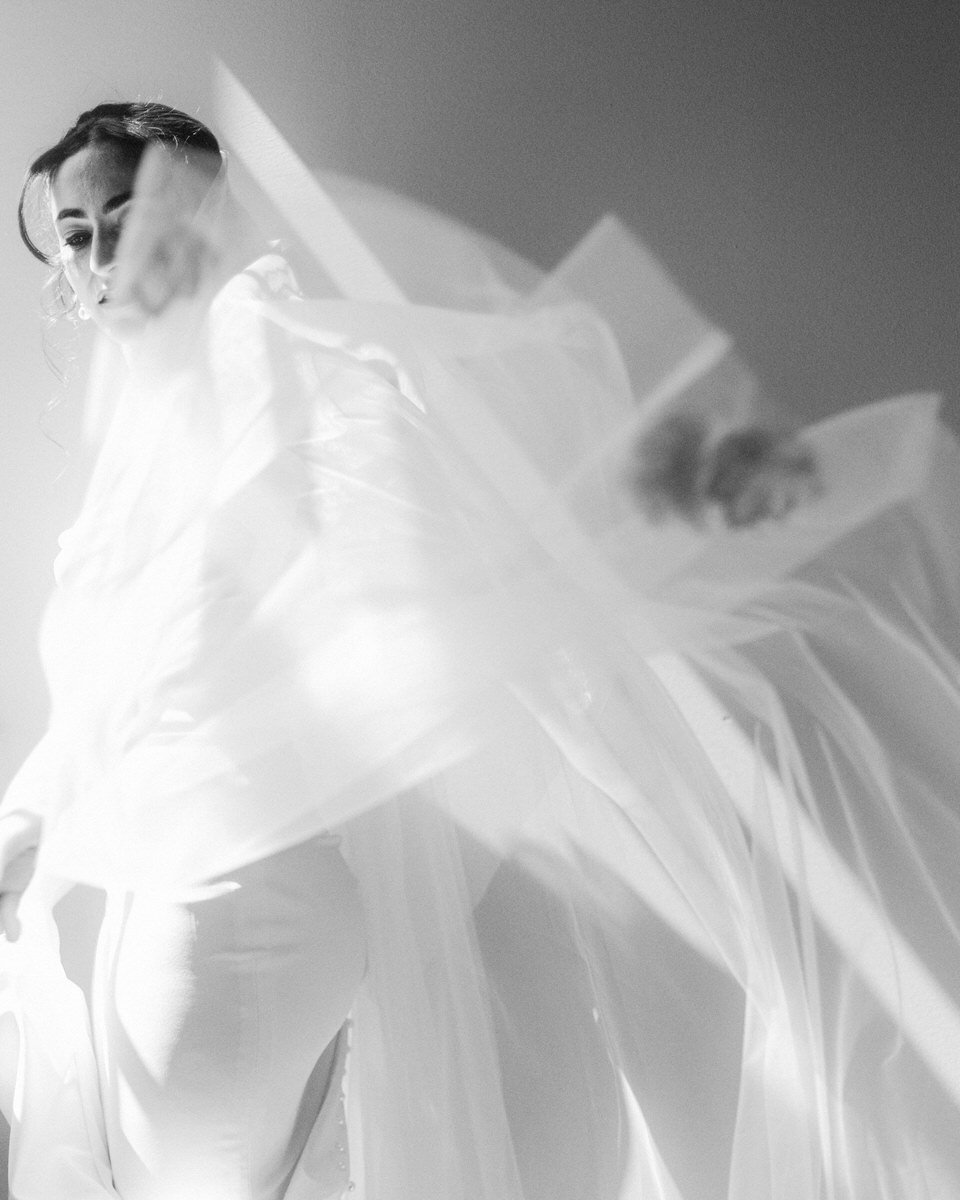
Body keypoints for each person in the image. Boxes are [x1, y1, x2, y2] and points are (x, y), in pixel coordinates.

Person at [2, 95, 960, 1200]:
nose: (103, 255)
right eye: (77, 235)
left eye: (127, 213)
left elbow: (189, 660)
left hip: (231, 910)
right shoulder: (166, 419)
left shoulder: (254, 352)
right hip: (194, 903)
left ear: (198, 213)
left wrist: (34, 826)